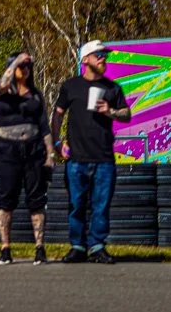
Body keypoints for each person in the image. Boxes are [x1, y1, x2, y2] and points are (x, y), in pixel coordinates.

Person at [51, 40, 131, 264]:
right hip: (76, 158)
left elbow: (127, 114)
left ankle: (97, 247)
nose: (103, 58)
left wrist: (111, 111)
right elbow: (57, 115)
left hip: (104, 158)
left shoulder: (113, 88)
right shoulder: (70, 86)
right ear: (85, 60)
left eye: (105, 55)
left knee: (101, 205)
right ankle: (77, 247)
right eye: (99, 54)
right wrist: (57, 143)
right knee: (76, 204)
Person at [0, 51, 56, 266]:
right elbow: (1, 84)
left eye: (28, 66)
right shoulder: (0, 90)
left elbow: (44, 126)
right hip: (8, 150)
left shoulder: (35, 95)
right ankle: (5, 248)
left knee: (36, 198)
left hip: (33, 149)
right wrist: (17, 60)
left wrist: (50, 153)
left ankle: (39, 248)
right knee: (7, 198)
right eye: (22, 66)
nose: (25, 69)